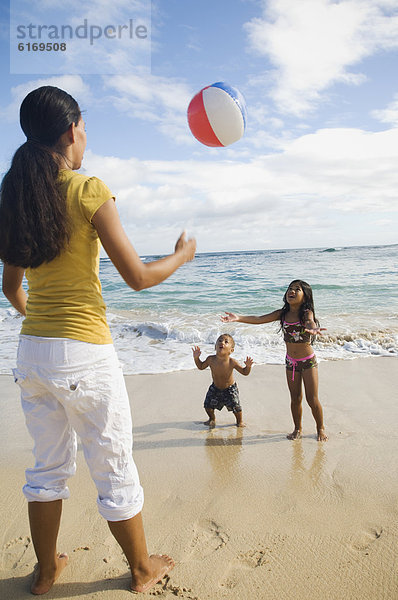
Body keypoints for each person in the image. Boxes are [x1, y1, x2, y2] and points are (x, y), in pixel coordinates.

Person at [0, 86, 196, 595]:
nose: (84, 136)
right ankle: (141, 568)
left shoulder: (15, 193)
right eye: (83, 127)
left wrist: (43, 324)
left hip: (31, 351)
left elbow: (10, 286)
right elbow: (137, 276)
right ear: (71, 131)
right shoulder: (87, 189)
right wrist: (182, 257)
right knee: (112, 462)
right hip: (84, 353)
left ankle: (45, 573)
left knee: (46, 468)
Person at [221, 280, 328, 441]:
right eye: (290, 289)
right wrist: (238, 318)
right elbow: (259, 319)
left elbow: (310, 321)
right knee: (295, 398)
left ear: (305, 297)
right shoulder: (282, 314)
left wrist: (312, 327)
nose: (291, 291)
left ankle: (320, 428)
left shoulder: (306, 313)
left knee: (312, 399)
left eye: (297, 289)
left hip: (308, 362)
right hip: (291, 362)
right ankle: (297, 429)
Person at [192, 333, 253, 427]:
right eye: (219, 341)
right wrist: (196, 358)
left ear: (231, 350)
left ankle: (239, 421)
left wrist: (248, 366)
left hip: (230, 389)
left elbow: (245, 372)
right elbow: (200, 366)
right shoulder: (210, 359)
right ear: (215, 346)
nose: (222, 343)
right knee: (208, 406)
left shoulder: (232, 362)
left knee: (236, 408)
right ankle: (212, 419)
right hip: (215, 388)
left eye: (226, 342)